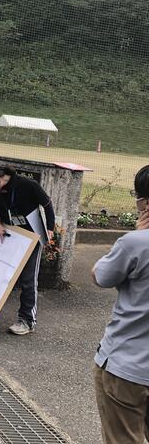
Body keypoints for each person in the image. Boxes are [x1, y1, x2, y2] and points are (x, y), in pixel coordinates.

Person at [92, 165, 149, 444]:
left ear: (145, 203)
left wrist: (137, 234)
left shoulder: (136, 244)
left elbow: (100, 276)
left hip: (128, 367)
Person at [0, 163, 55, 336]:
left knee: (28, 280)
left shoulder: (28, 185)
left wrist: (50, 228)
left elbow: (47, 205)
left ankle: (27, 320)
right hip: (9, 233)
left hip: (31, 235)